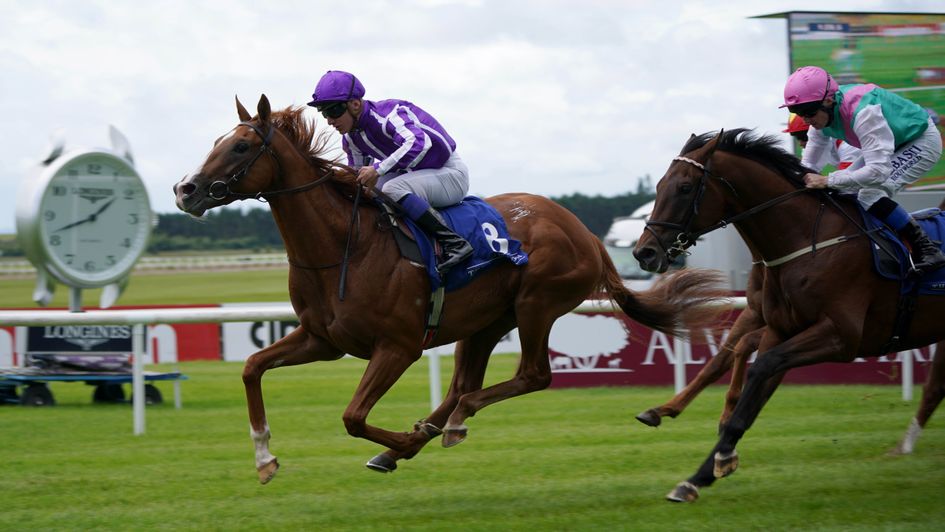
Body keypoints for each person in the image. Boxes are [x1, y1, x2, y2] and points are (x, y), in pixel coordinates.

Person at [782, 65, 945, 275]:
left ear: (828, 101)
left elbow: (878, 172)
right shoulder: (819, 120)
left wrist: (826, 180)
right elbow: (807, 168)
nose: (805, 120)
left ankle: (926, 248)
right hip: (896, 141)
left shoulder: (864, 113)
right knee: (845, 191)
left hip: (921, 141)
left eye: (809, 113)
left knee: (870, 193)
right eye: (797, 113)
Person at [306, 70, 472, 273]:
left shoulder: (390, 115)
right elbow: (357, 177)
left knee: (392, 187)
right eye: (324, 113)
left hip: (449, 173)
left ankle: (455, 243)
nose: (329, 121)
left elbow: (418, 143)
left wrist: (378, 168)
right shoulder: (351, 138)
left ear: (355, 104)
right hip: (414, 175)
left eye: (332, 111)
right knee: (371, 190)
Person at [783, 112, 859, 169]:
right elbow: (807, 170)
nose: (801, 144)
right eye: (797, 138)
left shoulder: (846, 144)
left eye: (803, 137)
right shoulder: (814, 147)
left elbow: (849, 180)